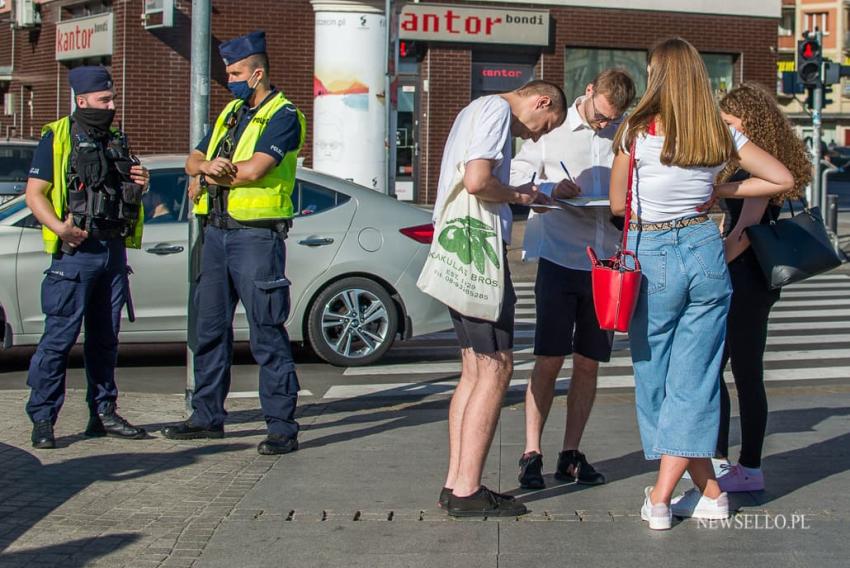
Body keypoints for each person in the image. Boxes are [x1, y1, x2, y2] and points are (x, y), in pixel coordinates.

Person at [609, 38, 794, 530]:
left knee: (656, 379)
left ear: (657, 76)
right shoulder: (718, 132)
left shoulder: (636, 130)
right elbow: (781, 177)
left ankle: (662, 496)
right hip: (706, 250)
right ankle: (710, 491)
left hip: (655, 253)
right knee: (696, 380)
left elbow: (616, 206)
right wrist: (721, 187)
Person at [161, 31, 306, 455]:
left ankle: (281, 427)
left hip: (255, 238)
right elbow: (191, 158)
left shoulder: (284, 115)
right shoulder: (229, 113)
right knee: (207, 331)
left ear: (257, 72)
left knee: (266, 333)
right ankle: (207, 417)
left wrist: (204, 174)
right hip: (215, 234)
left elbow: (253, 171)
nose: (230, 79)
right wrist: (203, 167)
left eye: (236, 72)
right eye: (227, 71)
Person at [434, 80, 567, 517]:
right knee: (497, 366)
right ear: (540, 100)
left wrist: (521, 197)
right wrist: (517, 195)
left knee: (474, 367)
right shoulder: (494, 113)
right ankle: (469, 489)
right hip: (479, 255)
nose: (537, 135)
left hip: (459, 253)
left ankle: (456, 482)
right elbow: (477, 181)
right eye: (545, 124)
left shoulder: (475, 108)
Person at [510, 69, 635, 489]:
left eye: (611, 119)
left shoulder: (625, 132)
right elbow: (515, 176)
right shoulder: (553, 128)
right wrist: (550, 188)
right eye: (601, 117)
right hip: (560, 255)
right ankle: (532, 452)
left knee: (588, 362)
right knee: (548, 358)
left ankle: (570, 452)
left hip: (606, 260)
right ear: (589, 92)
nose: (604, 125)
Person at [24, 66, 151, 449]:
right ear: (82, 101)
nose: (111, 106)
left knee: (105, 340)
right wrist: (61, 229)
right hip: (75, 253)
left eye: (112, 99)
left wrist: (140, 185)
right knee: (58, 340)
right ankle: (43, 419)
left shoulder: (115, 138)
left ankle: (103, 413)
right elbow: (35, 194)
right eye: (104, 100)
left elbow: (122, 194)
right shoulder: (57, 136)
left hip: (111, 250)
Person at [713, 82, 811, 492]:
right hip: (753, 279)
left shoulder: (756, 165)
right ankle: (732, 461)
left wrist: (710, 265)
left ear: (749, 120)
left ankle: (739, 464)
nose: (724, 130)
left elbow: (742, 234)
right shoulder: (758, 159)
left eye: (729, 122)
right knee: (734, 369)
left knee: (735, 370)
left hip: (745, 278)